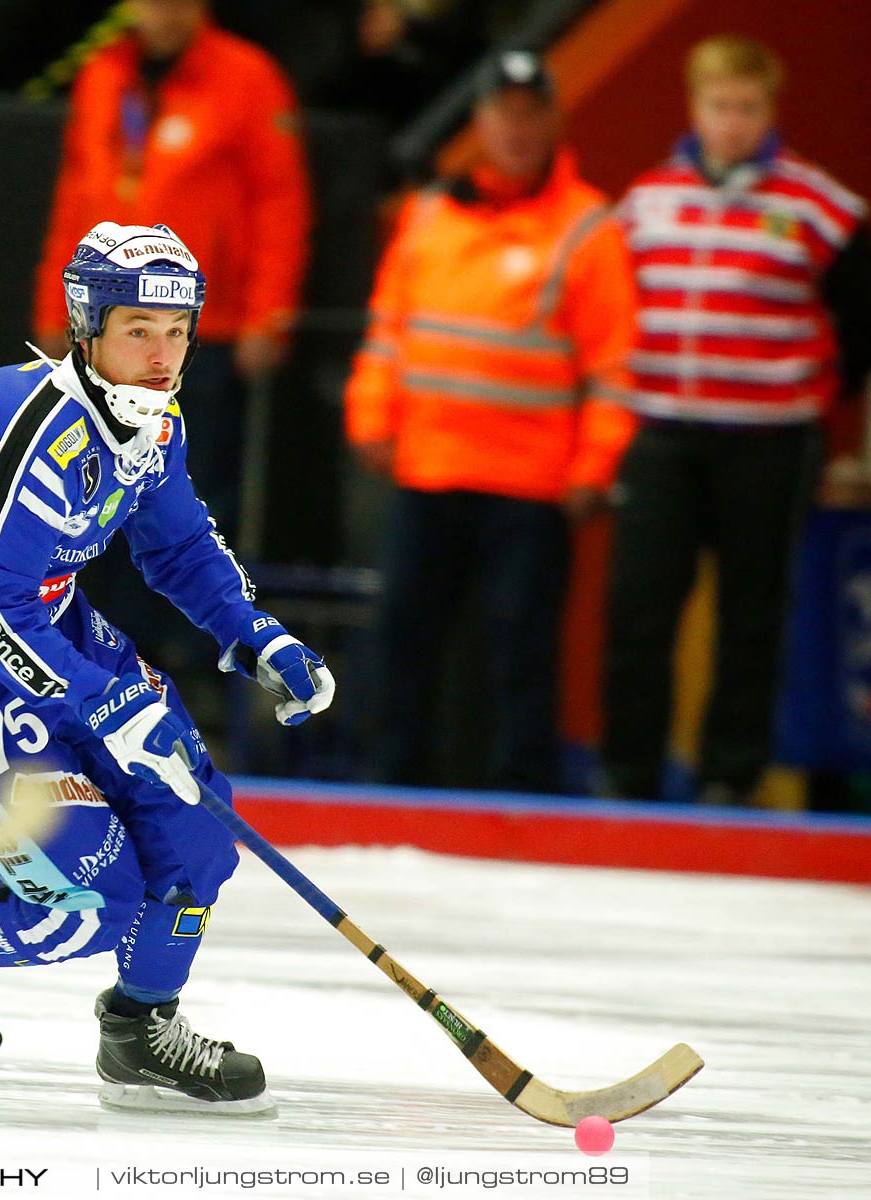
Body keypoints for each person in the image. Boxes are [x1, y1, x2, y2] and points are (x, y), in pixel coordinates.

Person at [0, 223, 335, 1114]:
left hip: (60, 644)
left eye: (178, 331)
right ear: (88, 325)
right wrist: (104, 703)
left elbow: (179, 545)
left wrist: (258, 635)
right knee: (84, 905)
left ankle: (141, 1030)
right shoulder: (31, 434)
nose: (161, 354)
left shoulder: (151, 420)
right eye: (139, 328)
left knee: (196, 839)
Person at [601, 36, 871, 804]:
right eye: (719, 106)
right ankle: (628, 773)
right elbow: (607, 315)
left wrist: (807, 399)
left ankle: (728, 776)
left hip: (769, 442)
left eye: (748, 107)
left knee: (753, 612)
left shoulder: (819, 207)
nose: (733, 122)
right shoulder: (646, 203)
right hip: (661, 434)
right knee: (639, 606)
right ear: (694, 108)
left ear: (771, 109)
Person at [344, 52, 637, 792]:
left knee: (521, 650)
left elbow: (614, 369)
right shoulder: (432, 212)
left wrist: (594, 467)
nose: (515, 127)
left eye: (530, 111)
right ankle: (394, 786)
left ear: (552, 122)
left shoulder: (588, 230)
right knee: (403, 637)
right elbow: (389, 331)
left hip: (530, 485)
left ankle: (522, 799)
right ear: (477, 122)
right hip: (428, 469)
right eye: (502, 111)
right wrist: (372, 414)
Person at [32, 0, 311, 537]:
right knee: (87, 493)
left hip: (200, 331)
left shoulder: (247, 76)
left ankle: (181, 623)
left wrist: (270, 314)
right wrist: (54, 305)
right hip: (102, 328)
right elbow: (74, 200)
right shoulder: (102, 73)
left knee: (185, 495)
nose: (165, 12)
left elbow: (281, 204)